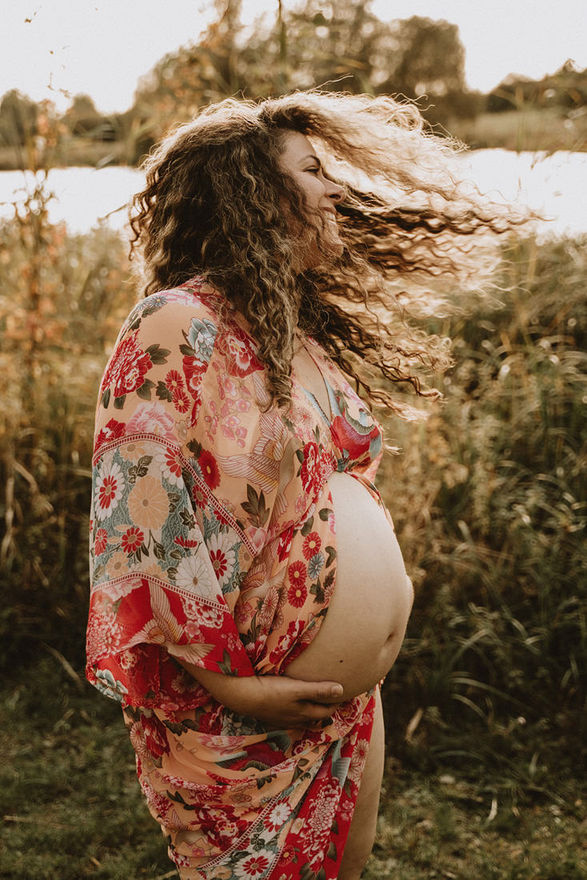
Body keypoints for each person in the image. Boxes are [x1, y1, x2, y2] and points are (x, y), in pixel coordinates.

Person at [86, 91, 520, 879]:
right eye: (312, 170)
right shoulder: (176, 323)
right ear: (247, 195)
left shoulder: (298, 334)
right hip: (245, 710)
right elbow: (140, 518)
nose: (335, 189)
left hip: (347, 702)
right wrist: (231, 688)